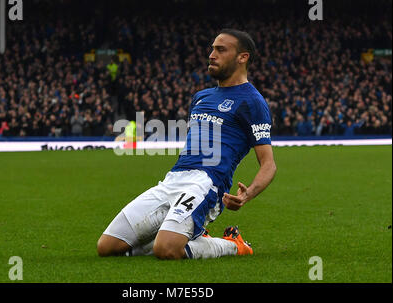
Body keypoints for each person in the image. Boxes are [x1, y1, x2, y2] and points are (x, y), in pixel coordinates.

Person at [97, 29, 277, 260]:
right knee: (107, 247)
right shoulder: (201, 97)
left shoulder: (253, 101)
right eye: (212, 48)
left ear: (243, 57)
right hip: (173, 179)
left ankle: (234, 244)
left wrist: (247, 194)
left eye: (221, 50)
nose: (212, 54)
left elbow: (269, 163)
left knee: (167, 249)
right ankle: (191, 233)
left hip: (207, 183)